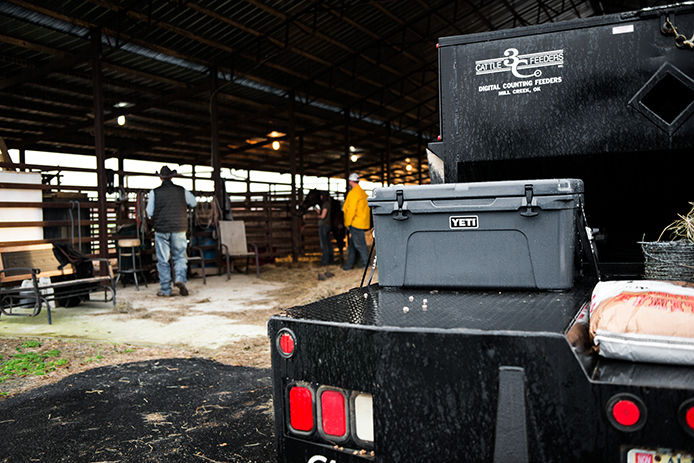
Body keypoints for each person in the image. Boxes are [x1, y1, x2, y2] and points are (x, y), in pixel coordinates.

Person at [146, 166, 197, 297]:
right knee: (180, 256)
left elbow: (149, 212)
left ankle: (165, 289)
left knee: (163, 260)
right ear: (172, 177)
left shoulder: (154, 192)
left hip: (162, 229)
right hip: (179, 228)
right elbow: (193, 202)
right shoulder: (181, 190)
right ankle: (180, 278)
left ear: (161, 178)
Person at [342, 172, 370, 270]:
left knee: (360, 245)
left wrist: (347, 223)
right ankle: (349, 266)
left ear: (350, 181)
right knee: (353, 246)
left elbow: (351, 210)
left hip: (355, 223)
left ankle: (366, 265)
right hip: (362, 222)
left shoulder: (353, 193)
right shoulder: (363, 193)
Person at [317, 192, 335, 266]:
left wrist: (318, 217)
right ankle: (331, 260)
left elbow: (323, 216)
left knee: (324, 244)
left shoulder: (325, 204)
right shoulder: (328, 204)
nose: (320, 197)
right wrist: (316, 209)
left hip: (323, 225)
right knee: (328, 243)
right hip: (327, 225)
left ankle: (325, 261)